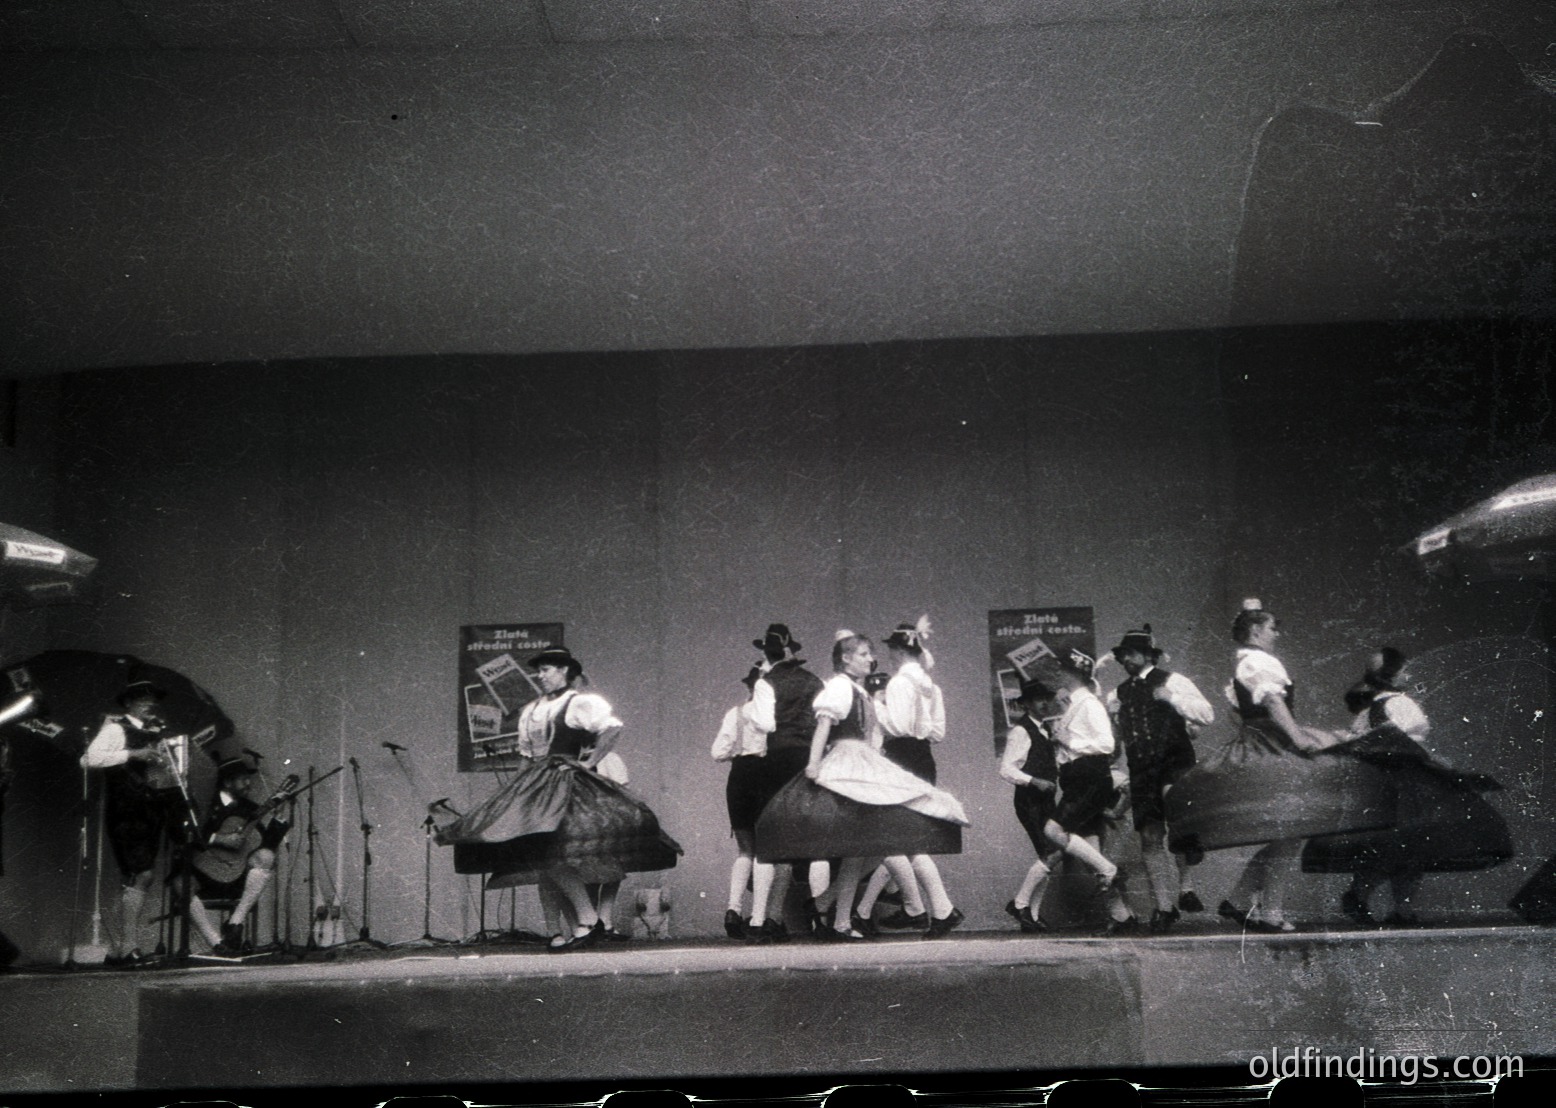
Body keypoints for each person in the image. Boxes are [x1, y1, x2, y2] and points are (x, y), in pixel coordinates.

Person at [434, 648, 681, 952]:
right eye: (539, 671)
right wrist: (514, 794)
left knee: (552, 852)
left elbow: (612, 727)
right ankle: (581, 922)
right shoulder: (532, 710)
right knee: (541, 853)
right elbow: (526, 756)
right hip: (537, 782)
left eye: (546, 669)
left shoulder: (579, 702)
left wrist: (589, 763)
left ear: (564, 670)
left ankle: (588, 921)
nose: (541, 676)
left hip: (566, 782)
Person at [1169, 599, 1379, 934]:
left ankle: (1241, 901)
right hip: (1273, 743)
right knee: (1290, 831)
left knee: (1289, 833)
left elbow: (1235, 712)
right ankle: (1268, 910)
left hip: (1265, 739)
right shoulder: (1257, 660)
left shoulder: (1246, 662)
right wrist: (1296, 736)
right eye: (1271, 627)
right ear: (1255, 630)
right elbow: (1271, 699)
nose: (1275, 633)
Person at [753, 631, 969, 940]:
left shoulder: (859, 690)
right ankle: (837, 916)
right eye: (864, 654)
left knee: (862, 843)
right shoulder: (840, 686)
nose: (871, 658)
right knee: (863, 841)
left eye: (871, 654)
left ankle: (831, 910)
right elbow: (825, 725)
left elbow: (871, 734)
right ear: (846, 658)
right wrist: (814, 764)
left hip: (863, 760)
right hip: (847, 762)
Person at [1302, 648, 1512, 926]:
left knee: (1397, 846)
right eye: (1403, 671)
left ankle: (1392, 906)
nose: (1408, 675)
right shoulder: (1400, 703)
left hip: (1380, 784)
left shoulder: (1367, 711)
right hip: (1407, 782)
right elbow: (1409, 743)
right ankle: (1373, 899)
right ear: (1393, 675)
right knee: (1407, 845)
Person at [80, 680, 204, 965]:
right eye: (143, 698)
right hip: (126, 810)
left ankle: (120, 950)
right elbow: (88, 759)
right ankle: (127, 948)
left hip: (149, 810)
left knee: (140, 875)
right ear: (129, 702)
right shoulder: (115, 728)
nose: (150, 703)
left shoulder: (156, 732)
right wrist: (133, 754)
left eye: (153, 698)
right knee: (142, 874)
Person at [855, 619, 962, 937]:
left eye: (891, 649)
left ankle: (933, 909)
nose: (889, 655)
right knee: (905, 839)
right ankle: (935, 909)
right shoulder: (931, 686)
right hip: (923, 757)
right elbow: (938, 733)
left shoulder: (900, 683)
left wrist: (877, 702)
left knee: (893, 837)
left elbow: (898, 727)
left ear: (900, 651)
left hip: (901, 757)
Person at [1106, 625, 1215, 933]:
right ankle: (1164, 908)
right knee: (1150, 837)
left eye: (1131, 653)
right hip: (1142, 771)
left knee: (1181, 822)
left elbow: (1206, 715)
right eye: (1122, 654)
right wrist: (1112, 718)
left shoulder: (1174, 681)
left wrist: (1173, 699)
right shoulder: (1118, 694)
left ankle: (1186, 886)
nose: (1126, 659)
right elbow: (1114, 745)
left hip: (1175, 763)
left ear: (1147, 655)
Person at [1026, 655, 1133, 934]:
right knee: (1090, 853)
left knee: (1053, 830)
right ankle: (1121, 916)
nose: (1059, 674)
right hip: (1077, 778)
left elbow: (1105, 744)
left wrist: (1065, 739)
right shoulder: (1076, 704)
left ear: (1074, 673)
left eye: (1063, 670)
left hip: (1089, 777)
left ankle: (1110, 871)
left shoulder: (1089, 704)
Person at [739, 624, 825, 944]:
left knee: (772, 843)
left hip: (776, 761)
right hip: (810, 760)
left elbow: (765, 723)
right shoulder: (815, 681)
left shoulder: (766, 683)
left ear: (765, 653)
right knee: (812, 843)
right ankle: (818, 920)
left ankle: (764, 919)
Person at [180, 757, 291, 956]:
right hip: (206, 874)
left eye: (248, 779)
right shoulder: (206, 805)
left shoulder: (250, 808)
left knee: (266, 857)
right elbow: (188, 833)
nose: (248, 783)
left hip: (237, 875)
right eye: (242, 779)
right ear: (227, 782)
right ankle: (215, 942)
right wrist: (218, 839)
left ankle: (235, 923)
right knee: (180, 883)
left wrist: (278, 815)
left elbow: (267, 843)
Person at [712, 664, 771, 940]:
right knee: (766, 850)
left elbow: (718, 752)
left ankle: (733, 908)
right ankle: (758, 918)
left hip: (739, 776)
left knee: (745, 849)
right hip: (763, 773)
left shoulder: (734, 714)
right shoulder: (771, 716)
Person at [999, 679, 1062, 932]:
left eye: (1047, 698)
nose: (1045, 703)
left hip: (1045, 800)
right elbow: (1005, 769)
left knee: (1047, 857)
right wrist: (1033, 781)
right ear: (1026, 704)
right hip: (1030, 801)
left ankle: (1032, 917)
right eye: (1038, 699)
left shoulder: (1045, 730)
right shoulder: (1021, 731)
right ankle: (1020, 904)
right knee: (1052, 854)